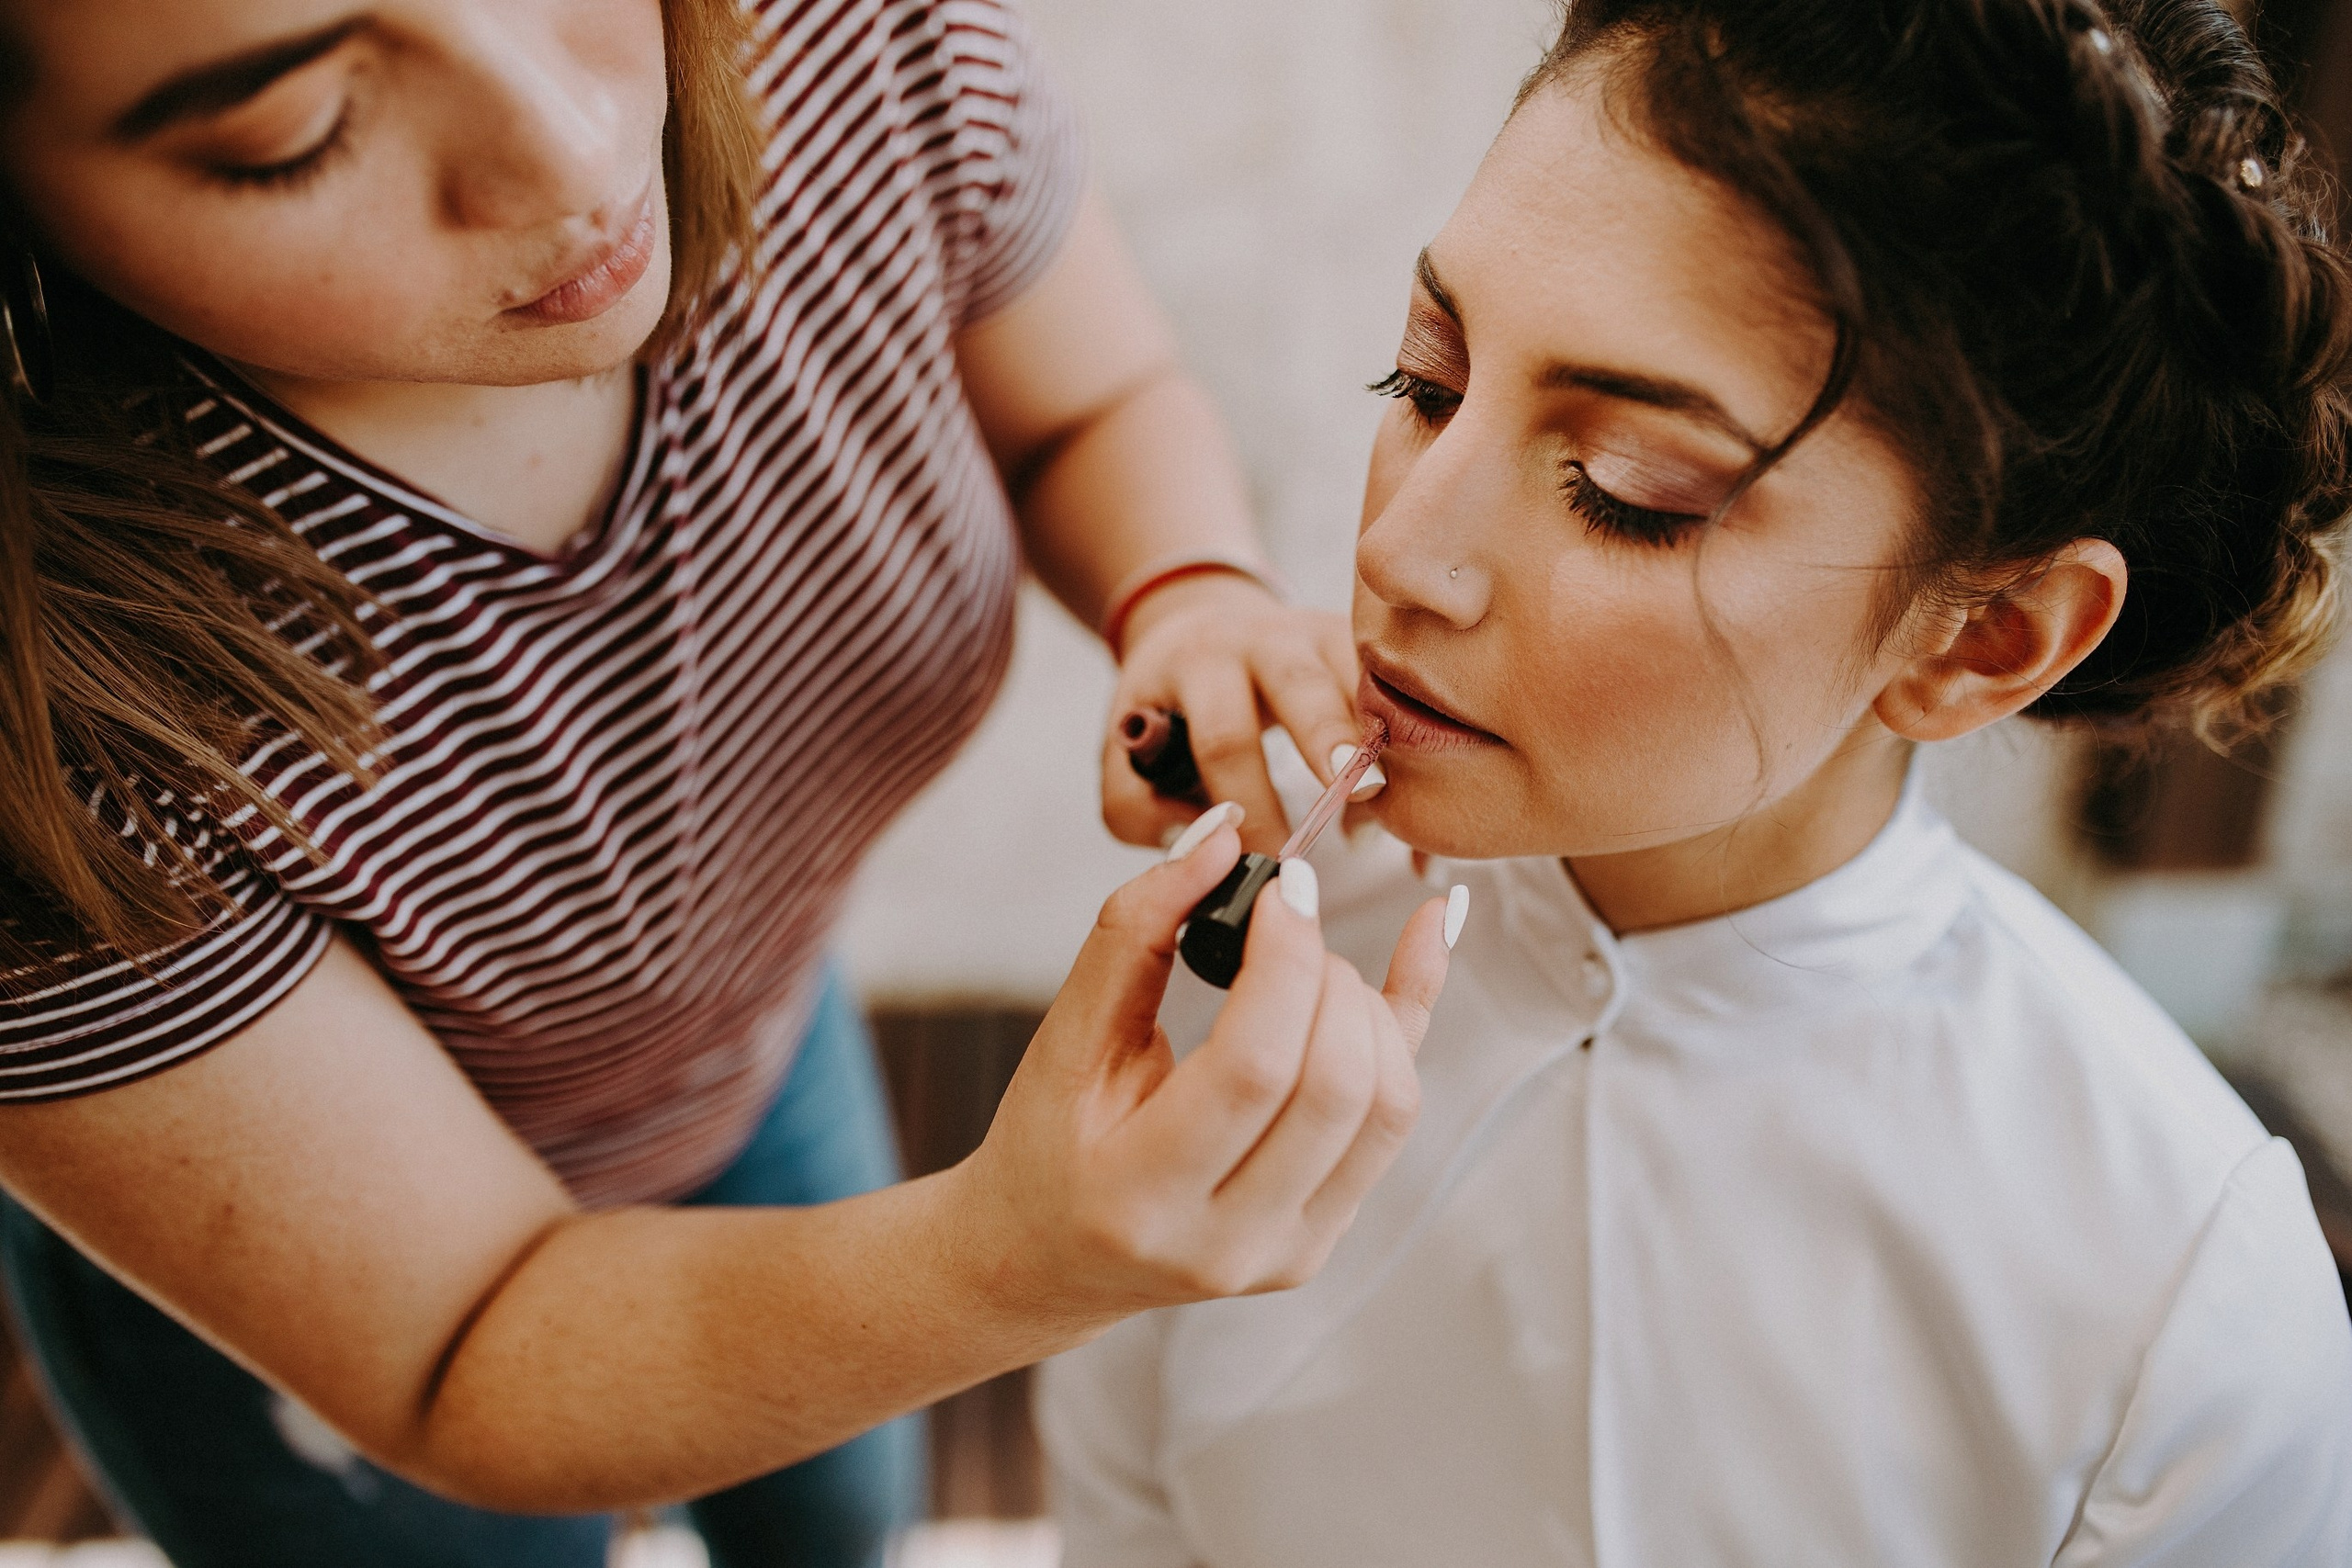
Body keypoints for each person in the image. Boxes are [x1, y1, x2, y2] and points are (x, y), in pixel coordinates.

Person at [0, 2, 1455, 1564]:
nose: (578, 155)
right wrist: (1007, 1258)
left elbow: (1090, 408)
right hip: (331, 1316)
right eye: (297, 135)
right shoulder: (46, 691)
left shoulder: (869, 57)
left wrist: (1185, 589)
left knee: (842, 1519)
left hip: (759, 1052)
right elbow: (465, 1344)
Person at [1039, 0, 2352, 1562]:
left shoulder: (2178, 1290)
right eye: (1429, 382)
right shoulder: (1257, 946)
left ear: (1984, 636)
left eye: (1627, 494)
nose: (1399, 551)